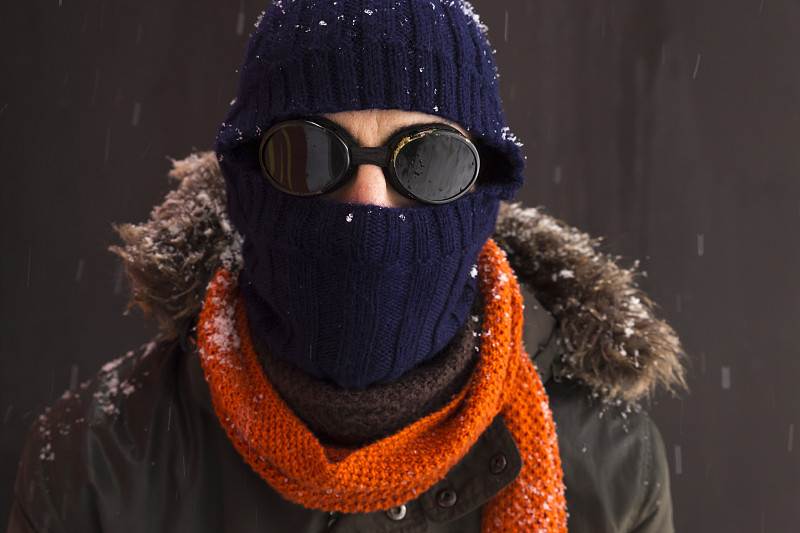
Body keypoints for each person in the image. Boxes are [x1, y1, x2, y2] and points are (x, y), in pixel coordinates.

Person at [7, 1, 686, 531]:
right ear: (246, 180)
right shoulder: (96, 460)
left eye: (428, 159)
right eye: (309, 153)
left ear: (485, 189)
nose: (368, 203)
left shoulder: (609, 468)